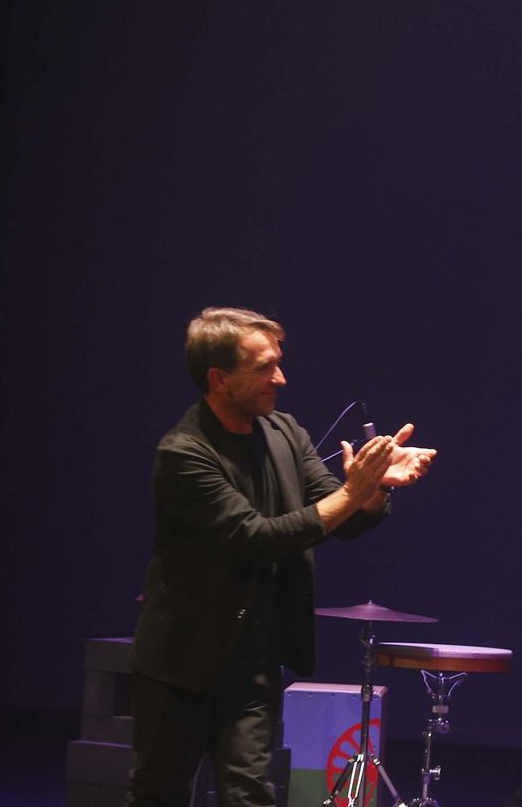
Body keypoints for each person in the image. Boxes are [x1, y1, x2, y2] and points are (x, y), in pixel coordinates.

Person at [127, 307, 437, 807]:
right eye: (264, 367)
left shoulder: (285, 432)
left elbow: (342, 519)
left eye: (279, 362)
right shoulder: (184, 453)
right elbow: (258, 537)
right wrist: (352, 491)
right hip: (180, 664)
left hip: (253, 661)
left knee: (250, 794)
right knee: (159, 794)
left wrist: (374, 486)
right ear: (219, 379)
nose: (281, 378)